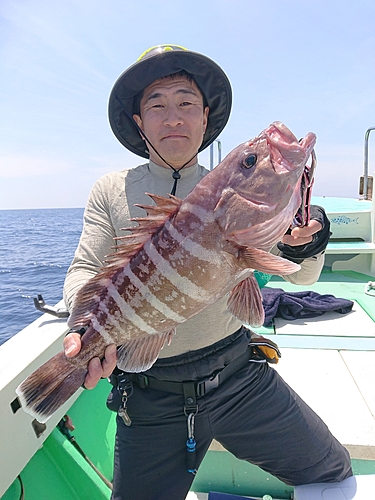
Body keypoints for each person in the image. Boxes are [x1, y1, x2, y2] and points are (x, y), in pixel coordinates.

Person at [63, 45, 352, 500]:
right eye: (156, 105)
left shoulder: (240, 189)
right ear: (139, 123)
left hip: (240, 376)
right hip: (149, 392)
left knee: (334, 471)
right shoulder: (112, 190)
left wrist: (310, 243)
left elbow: (303, 279)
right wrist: (83, 333)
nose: (173, 117)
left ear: (205, 116)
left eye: (186, 103)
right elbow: (86, 269)